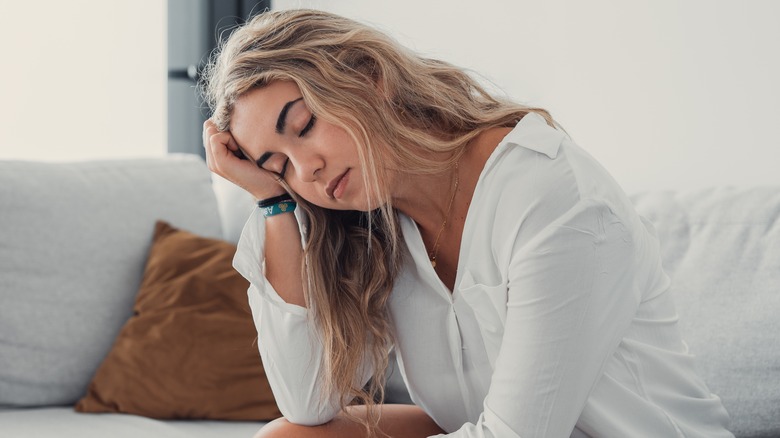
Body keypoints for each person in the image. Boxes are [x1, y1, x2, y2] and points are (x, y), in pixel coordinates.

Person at [200, 9, 733, 438]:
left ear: (370, 77)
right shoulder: (375, 222)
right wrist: (274, 205)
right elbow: (307, 401)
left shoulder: (552, 195)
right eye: (279, 165)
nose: (306, 169)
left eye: (304, 125)